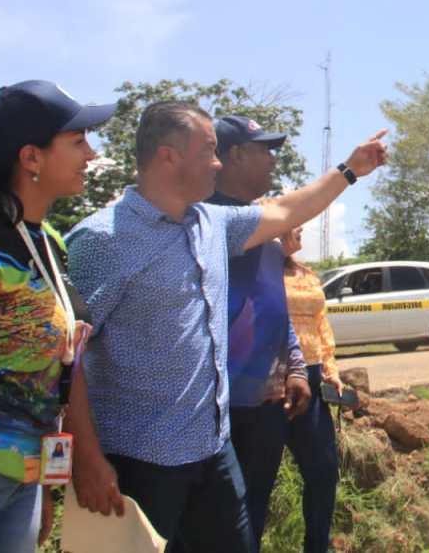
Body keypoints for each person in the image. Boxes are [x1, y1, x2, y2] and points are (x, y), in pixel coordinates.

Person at [64, 101, 386, 552]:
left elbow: (287, 210)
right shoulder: (102, 240)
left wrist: (350, 170)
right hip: (140, 458)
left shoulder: (213, 225)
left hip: (213, 450)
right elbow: (66, 358)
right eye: (209, 151)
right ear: (169, 156)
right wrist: (86, 457)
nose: (218, 163)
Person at [0, 81, 115, 553]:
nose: (92, 154)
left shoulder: (48, 242)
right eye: (78, 141)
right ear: (31, 157)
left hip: (24, 478)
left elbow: (58, 368)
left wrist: (46, 480)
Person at [206, 116, 311, 550]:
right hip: (216, 408)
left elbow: (273, 305)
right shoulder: (205, 223)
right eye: (264, 150)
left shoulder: (266, 231)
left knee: (253, 518)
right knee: (212, 529)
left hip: (267, 405)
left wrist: (296, 367)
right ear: (234, 155)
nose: (273, 159)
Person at [281, 226, 345, 553]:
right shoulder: (254, 271)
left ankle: (317, 546)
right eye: (295, 222)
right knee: (255, 479)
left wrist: (330, 370)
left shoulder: (307, 274)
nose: (302, 228)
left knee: (323, 470)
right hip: (270, 381)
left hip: (312, 376)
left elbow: (321, 324)